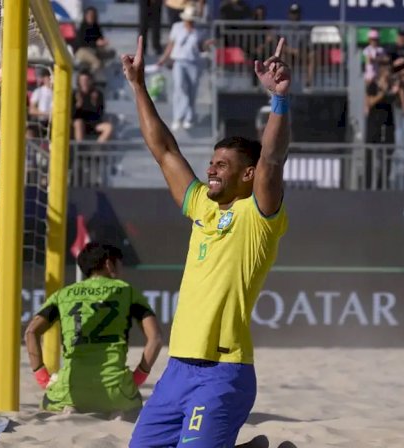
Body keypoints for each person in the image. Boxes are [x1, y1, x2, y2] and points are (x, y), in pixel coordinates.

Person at [121, 35, 290, 447]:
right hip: (177, 369)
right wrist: (139, 86)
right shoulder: (201, 206)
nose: (211, 170)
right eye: (211, 163)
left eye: (223, 165)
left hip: (222, 371)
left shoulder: (258, 216)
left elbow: (271, 159)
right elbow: (163, 150)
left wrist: (279, 100)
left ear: (246, 176)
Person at [24, 242, 163, 415]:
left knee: (50, 403)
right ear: (108, 264)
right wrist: (138, 377)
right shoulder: (127, 291)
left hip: (70, 390)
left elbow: (31, 332)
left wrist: (43, 378)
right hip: (116, 392)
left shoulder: (63, 294)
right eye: (119, 263)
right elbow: (155, 339)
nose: (122, 270)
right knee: (133, 405)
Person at [156, 4, 214, 131]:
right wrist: (163, 59)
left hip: (194, 63)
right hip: (179, 62)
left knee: (191, 91)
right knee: (180, 88)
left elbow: (201, 48)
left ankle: (189, 117)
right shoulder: (177, 27)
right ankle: (178, 117)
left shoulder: (199, 31)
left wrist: (207, 45)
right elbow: (171, 45)